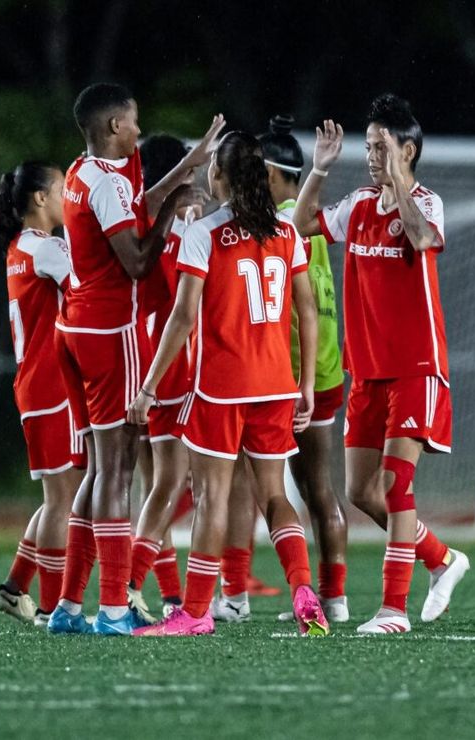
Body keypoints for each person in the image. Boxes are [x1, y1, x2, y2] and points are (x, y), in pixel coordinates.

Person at [128, 130, 327, 637]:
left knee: (213, 496)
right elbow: (307, 309)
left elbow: (182, 318)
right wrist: (305, 384)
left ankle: (194, 612)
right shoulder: (285, 231)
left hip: (222, 387)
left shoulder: (206, 233)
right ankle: (305, 592)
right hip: (277, 383)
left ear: (218, 174)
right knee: (275, 494)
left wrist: (148, 388)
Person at [47, 82, 222, 636]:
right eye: (134, 122)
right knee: (118, 470)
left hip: (73, 326)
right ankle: (115, 607)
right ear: (113, 127)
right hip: (107, 330)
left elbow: (131, 209)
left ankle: (68, 606)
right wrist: (176, 204)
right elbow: (140, 262)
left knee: (100, 469)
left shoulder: (81, 171)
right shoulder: (105, 184)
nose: (140, 131)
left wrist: (180, 172)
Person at [293, 94, 469, 635]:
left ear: (408, 149)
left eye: (380, 146)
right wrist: (319, 169)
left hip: (416, 366)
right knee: (361, 492)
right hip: (366, 371)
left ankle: (393, 611)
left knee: (394, 486)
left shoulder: (428, 204)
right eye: (367, 146)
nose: (370, 155)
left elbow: (421, 238)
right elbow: (298, 224)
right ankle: (441, 558)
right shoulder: (359, 207)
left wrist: (400, 183)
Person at [213, 115, 351, 625]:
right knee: (317, 489)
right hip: (321, 372)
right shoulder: (303, 224)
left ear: (267, 174)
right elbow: (313, 304)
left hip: (271, 372)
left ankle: (230, 595)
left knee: (236, 489)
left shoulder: (277, 223)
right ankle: (331, 599)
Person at [0, 161, 88, 625]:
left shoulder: (20, 246)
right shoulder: (47, 249)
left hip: (36, 383)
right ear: (41, 199)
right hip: (53, 385)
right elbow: (86, 297)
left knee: (58, 497)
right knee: (62, 500)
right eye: (63, 189)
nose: (70, 197)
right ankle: (52, 608)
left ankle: (14, 588)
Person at [125, 133, 206, 619]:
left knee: (160, 484)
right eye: (189, 169)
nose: (195, 178)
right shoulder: (177, 228)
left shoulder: (141, 221)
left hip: (146, 358)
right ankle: (132, 586)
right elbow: (184, 309)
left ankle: (170, 596)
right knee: (179, 484)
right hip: (173, 365)